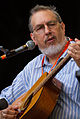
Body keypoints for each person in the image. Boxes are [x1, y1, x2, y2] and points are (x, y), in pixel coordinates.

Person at [0, 4, 80, 119]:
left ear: (62, 27)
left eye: (51, 24)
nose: (47, 31)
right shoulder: (33, 67)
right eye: (40, 28)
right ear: (34, 38)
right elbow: (5, 99)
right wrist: (3, 113)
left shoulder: (78, 53)